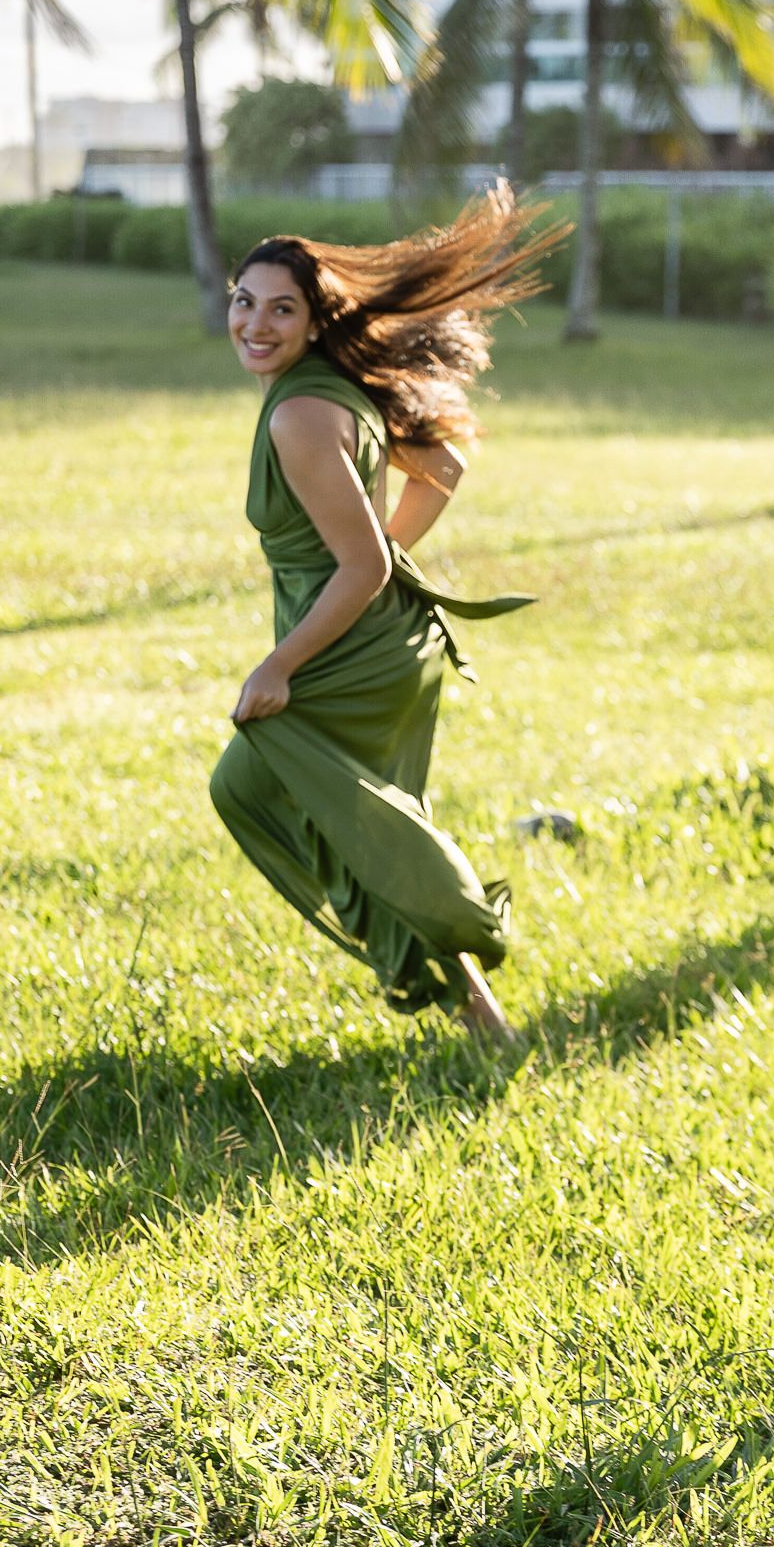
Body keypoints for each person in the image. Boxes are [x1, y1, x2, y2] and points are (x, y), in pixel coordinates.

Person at [210, 186, 555, 1043]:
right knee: (360, 823)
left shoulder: (299, 413)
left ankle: (463, 928)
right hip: (383, 636)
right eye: (244, 302)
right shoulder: (326, 387)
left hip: (353, 646)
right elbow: (443, 462)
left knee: (253, 789)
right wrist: (384, 560)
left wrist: (279, 664)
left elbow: (359, 563)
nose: (256, 323)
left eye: (281, 309)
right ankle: (483, 1019)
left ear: (315, 321)